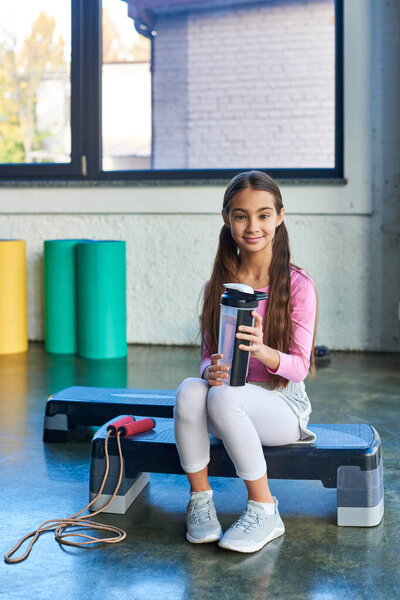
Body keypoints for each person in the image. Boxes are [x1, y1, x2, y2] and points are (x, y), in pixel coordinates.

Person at [173, 170, 317, 554]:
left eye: (264, 215)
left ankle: (265, 508)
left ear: (280, 217)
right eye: (241, 215)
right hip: (231, 403)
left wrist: (262, 350)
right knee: (190, 389)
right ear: (227, 219)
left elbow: (300, 368)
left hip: (283, 405)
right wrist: (210, 369)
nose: (253, 226)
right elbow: (207, 354)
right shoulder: (216, 287)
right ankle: (201, 502)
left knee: (221, 398)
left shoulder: (298, 285)